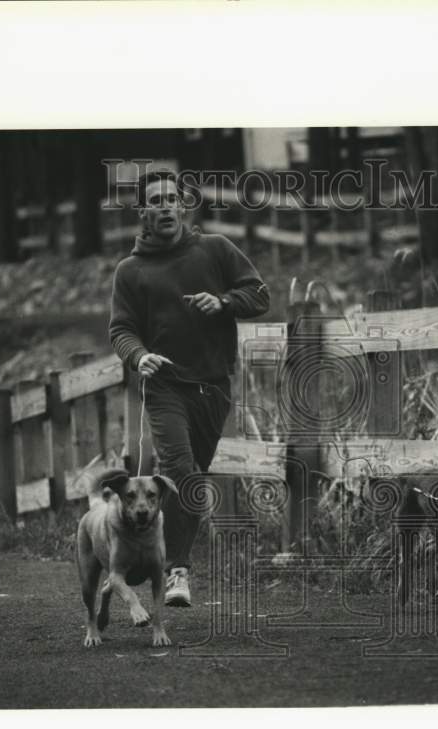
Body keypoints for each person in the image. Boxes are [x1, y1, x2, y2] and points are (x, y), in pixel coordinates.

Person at [109, 169, 270, 606]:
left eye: (170, 198)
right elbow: (121, 329)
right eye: (154, 201)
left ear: (182, 205)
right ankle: (178, 571)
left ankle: (147, 553)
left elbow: (259, 294)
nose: (164, 206)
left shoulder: (215, 250)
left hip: (213, 387)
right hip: (165, 388)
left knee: (190, 483)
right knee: (179, 470)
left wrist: (224, 302)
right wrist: (139, 356)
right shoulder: (130, 271)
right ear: (143, 212)